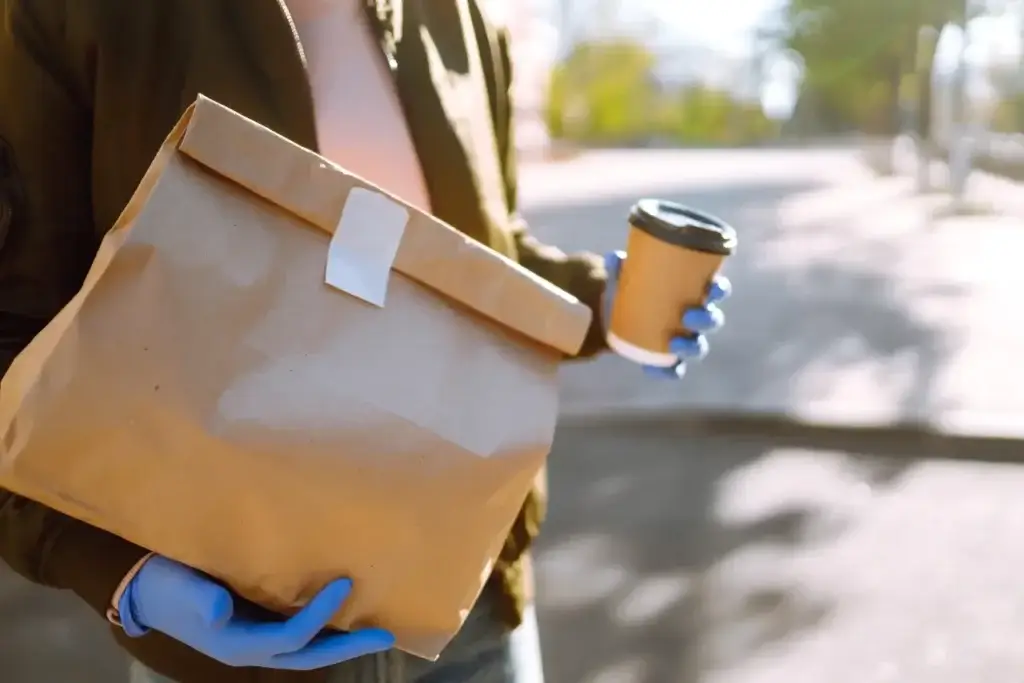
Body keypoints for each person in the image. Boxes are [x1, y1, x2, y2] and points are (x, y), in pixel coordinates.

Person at [0, 1, 730, 682]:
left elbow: (478, 262)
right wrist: (123, 574)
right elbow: (16, 324)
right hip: (223, 622)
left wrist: (606, 303)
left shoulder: (457, 17)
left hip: (474, 618)